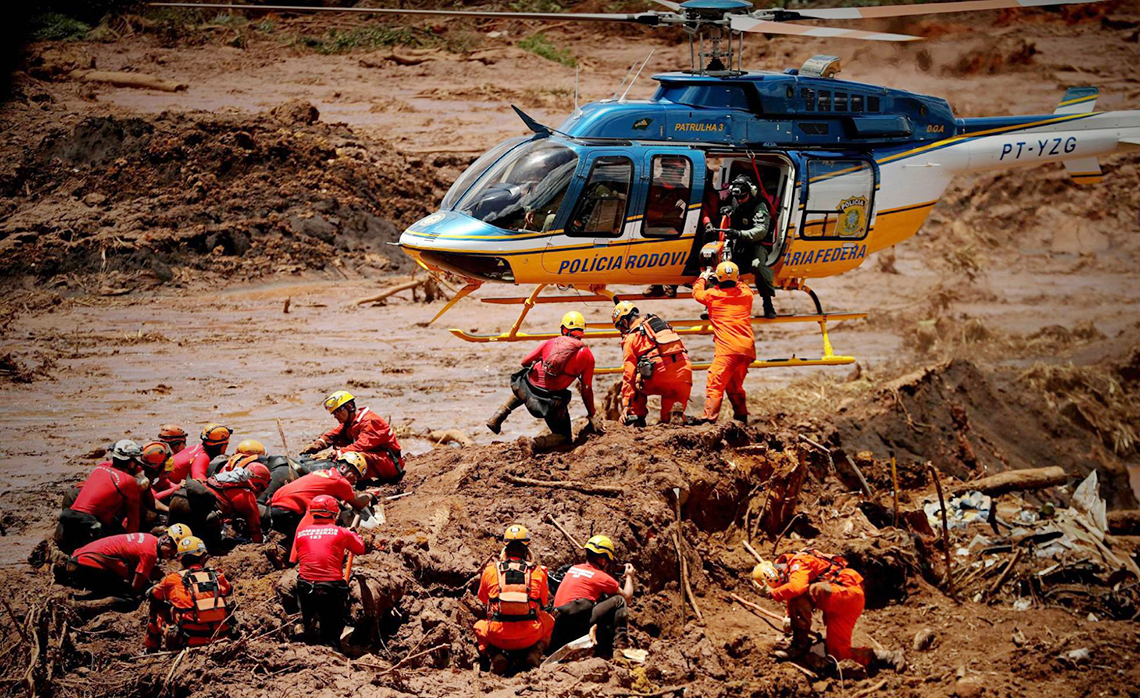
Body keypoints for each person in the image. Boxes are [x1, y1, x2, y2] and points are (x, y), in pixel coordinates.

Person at [752, 550, 906, 672]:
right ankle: (888, 657)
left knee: (808, 591)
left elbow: (797, 588)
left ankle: (799, 646)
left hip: (842, 593)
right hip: (849, 600)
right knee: (839, 654)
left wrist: (772, 594)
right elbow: (795, 588)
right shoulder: (798, 564)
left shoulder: (798, 563)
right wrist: (789, 616)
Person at [485, 311, 600, 450]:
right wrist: (592, 415)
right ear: (582, 330)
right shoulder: (587, 356)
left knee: (524, 378)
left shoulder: (550, 342)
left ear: (563, 329)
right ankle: (534, 443)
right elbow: (587, 389)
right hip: (549, 403)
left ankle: (499, 415)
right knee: (564, 438)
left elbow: (524, 362)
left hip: (525, 391)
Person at [474, 524, 554, 674]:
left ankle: (495, 656)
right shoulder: (537, 572)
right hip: (530, 635)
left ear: (505, 549)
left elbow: (483, 599)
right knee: (549, 619)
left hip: (498, 636)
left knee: (479, 625)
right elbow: (543, 602)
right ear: (527, 549)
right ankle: (534, 654)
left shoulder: (490, 570)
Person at [292, 495, 365, 648]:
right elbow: (360, 549)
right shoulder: (341, 532)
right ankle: (331, 648)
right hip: (330, 589)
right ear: (334, 513)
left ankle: (309, 638)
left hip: (304, 587)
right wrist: (354, 535)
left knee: (310, 625)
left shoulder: (301, 533)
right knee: (332, 631)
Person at [549, 535, 634, 659]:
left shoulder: (573, 569)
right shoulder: (601, 577)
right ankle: (621, 647)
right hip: (576, 623)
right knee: (619, 601)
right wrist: (630, 576)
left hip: (558, 624)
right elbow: (627, 598)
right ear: (603, 560)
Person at [268, 452, 374, 552]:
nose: (355, 479)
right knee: (316, 536)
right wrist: (371, 495)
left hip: (275, 507)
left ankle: (286, 547)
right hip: (289, 512)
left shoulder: (323, 473)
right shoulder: (340, 481)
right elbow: (358, 504)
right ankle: (288, 553)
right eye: (354, 474)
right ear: (344, 467)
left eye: (358, 477)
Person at [692, 261, 756, 424]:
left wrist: (703, 278)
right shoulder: (746, 294)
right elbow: (742, 285)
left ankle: (709, 419)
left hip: (728, 350)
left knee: (715, 382)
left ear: (718, 278)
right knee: (734, 385)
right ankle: (742, 417)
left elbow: (697, 293)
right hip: (747, 349)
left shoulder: (712, 295)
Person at [146, 536, 234, 652]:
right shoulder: (216, 576)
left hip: (188, 640)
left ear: (180, 558)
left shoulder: (173, 579)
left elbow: (152, 595)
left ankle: (151, 647)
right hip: (221, 637)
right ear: (204, 558)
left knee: (156, 607)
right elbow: (228, 591)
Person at [56, 440, 145, 554]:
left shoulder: (99, 468)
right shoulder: (129, 482)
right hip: (89, 532)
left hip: (65, 526)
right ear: (131, 464)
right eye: (136, 461)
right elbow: (134, 521)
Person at [611, 302, 692, 427]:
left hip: (660, 376)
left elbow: (629, 374)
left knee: (637, 380)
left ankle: (637, 416)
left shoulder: (631, 338)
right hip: (684, 373)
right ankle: (673, 417)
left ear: (625, 322)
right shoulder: (662, 324)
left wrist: (627, 404)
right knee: (668, 419)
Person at [300, 391, 404, 485]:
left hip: (390, 463)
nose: (335, 416)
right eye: (333, 413)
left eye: (338, 411)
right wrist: (318, 444)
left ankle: (343, 485)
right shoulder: (351, 422)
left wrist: (334, 454)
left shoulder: (369, 421)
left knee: (352, 458)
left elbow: (362, 445)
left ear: (350, 406)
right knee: (340, 442)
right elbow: (334, 434)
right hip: (376, 458)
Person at [56, 528, 186, 600]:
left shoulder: (149, 538)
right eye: (173, 548)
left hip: (80, 557)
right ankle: (80, 603)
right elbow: (135, 587)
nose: (173, 554)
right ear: (165, 540)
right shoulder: (150, 553)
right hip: (85, 565)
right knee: (129, 598)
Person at [167, 462, 272, 550]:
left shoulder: (225, 477)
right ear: (258, 485)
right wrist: (259, 544)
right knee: (213, 544)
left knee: (171, 535)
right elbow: (254, 526)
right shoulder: (246, 494)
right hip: (194, 511)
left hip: (178, 497)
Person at [723, 174, 777, 319]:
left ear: (751, 193)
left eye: (743, 197)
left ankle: (767, 302)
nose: (739, 201)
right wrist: (726, 210)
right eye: (737, 198)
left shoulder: (759, 205)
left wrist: (740, 233)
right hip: (737, 242)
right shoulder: (735, 199)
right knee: (722, 265)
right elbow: (727, 205)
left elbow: (761, 230)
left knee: (757, 265)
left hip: (756, 244)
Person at [154, 424, 232, 502]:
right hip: (165, 487)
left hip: (166, 482)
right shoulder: (203, 456)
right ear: (220, 445)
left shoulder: (198, 448)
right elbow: (199, 480)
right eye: (226, 444)